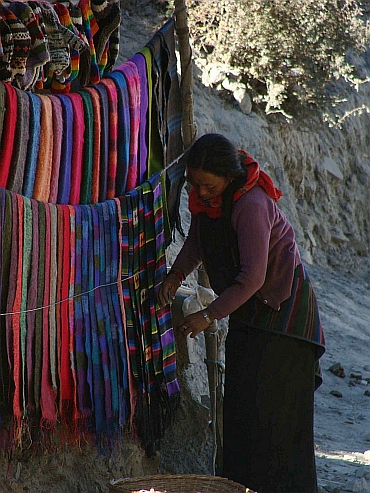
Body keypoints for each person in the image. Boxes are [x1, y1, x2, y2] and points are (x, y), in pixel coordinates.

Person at [158, 133, 325, 493]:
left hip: (285, 320)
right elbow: (197, 242)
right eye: (194, 184)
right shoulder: (210, 202)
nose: (200, 193)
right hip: (250, 315)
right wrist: (175, 275)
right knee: (242, 412)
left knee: (276, 424)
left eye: (208, 185)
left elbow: (253, 277)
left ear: (229, 178)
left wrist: (209, 315)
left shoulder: (251, 204)